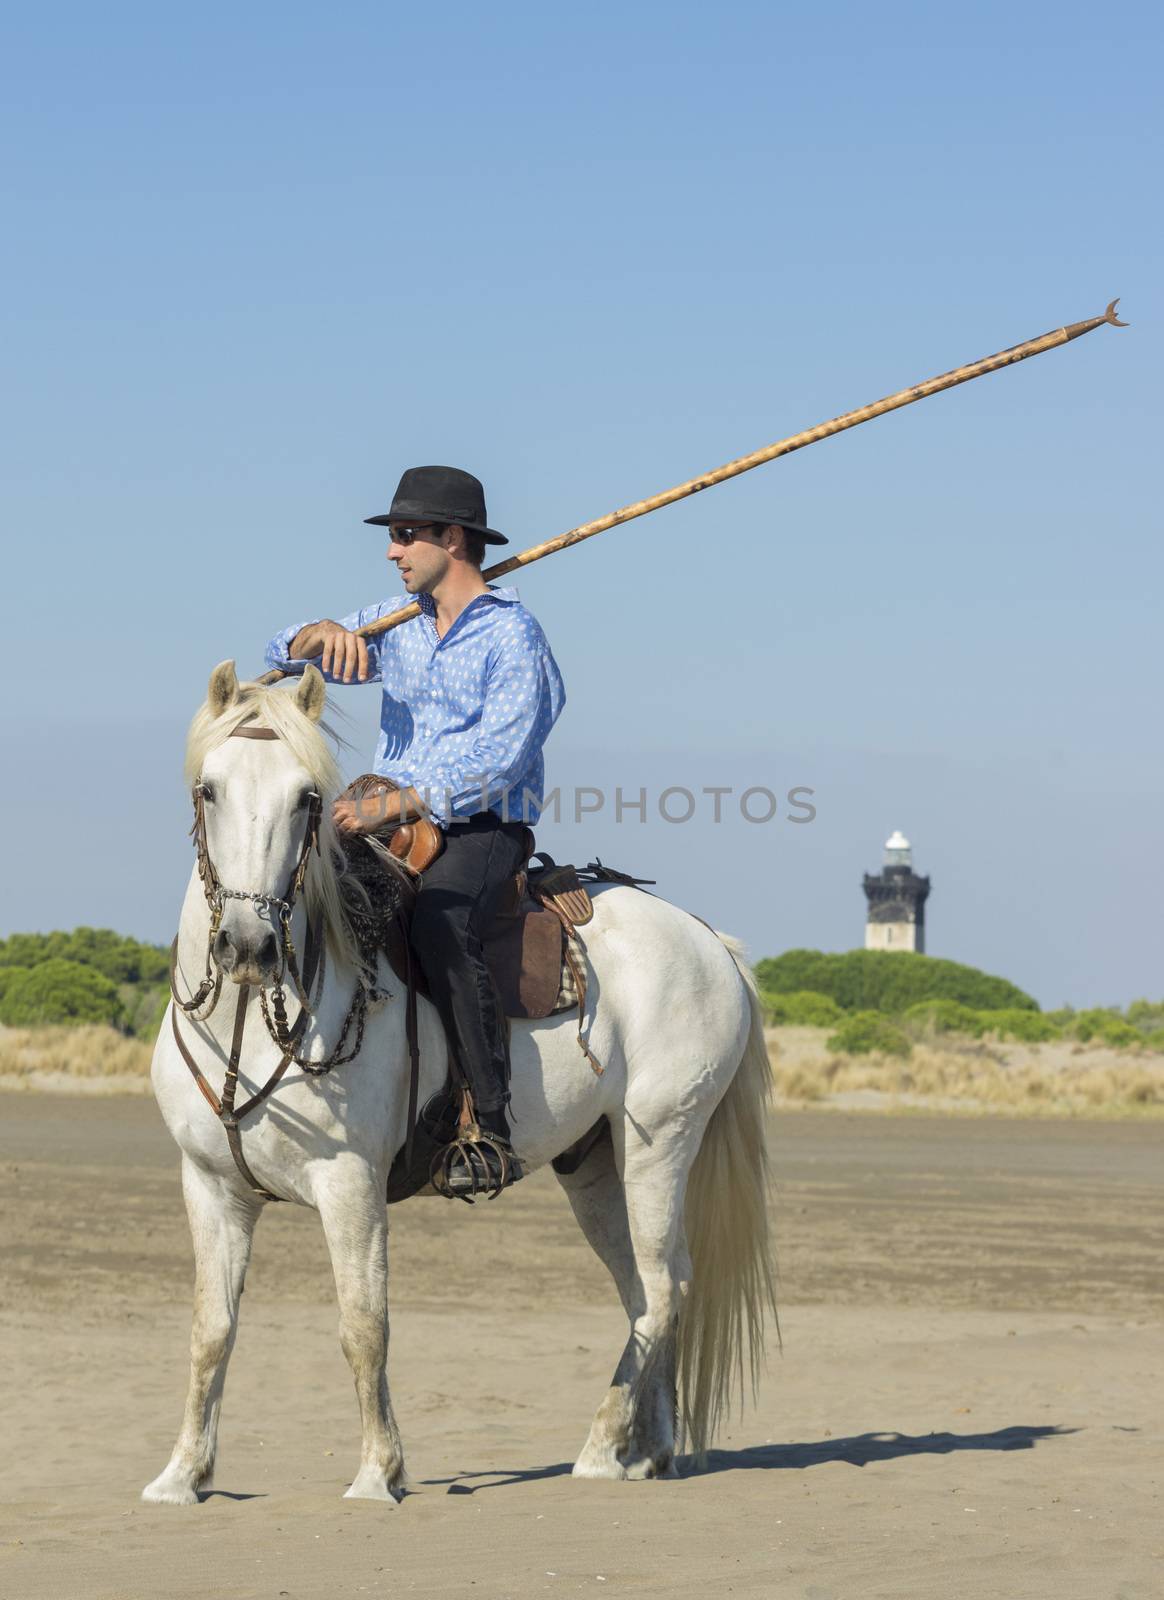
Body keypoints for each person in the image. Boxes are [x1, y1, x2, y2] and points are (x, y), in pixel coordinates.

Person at [265, 465, 565, 1195]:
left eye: (406, 537)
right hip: (384, 827)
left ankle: (488, 1127)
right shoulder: (396, 625)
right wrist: (316, 633)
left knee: (436, 923)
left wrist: (405, 801)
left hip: (477, 828)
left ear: (451, 539)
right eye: (393, 537)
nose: (393, 551)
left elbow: (506, 754)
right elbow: (284, 656)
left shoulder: (513, 635)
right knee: (285, 893)